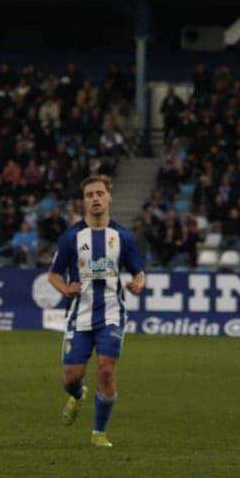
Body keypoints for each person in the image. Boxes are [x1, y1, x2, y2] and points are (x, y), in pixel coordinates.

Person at [47, 174, 146, 448]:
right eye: (90, 195)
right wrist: (65, 289)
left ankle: (99, 433)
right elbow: (53, 274)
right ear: (84, 202)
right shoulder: (72, 238)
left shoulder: (122, 237)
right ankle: (77, 395)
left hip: (112, 313)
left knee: (105, 370)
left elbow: (139, 271)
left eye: (100, 193)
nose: (95, 199)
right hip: (80, 314)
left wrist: (138, 282)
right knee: (72, 377)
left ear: (109, 197)